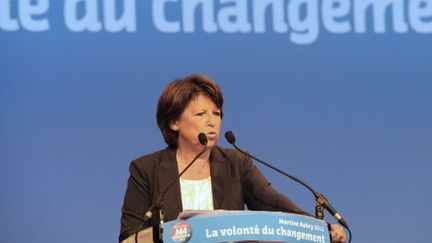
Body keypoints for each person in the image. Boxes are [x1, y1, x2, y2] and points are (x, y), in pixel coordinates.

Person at [119, 74, 346, 243]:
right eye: (201, 114)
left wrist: (319, 228)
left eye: (217, 113)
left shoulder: (236, 163)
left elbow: (271, 202)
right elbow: (130, 236)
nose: (212, 122)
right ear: (174, 122)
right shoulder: (146, 169)